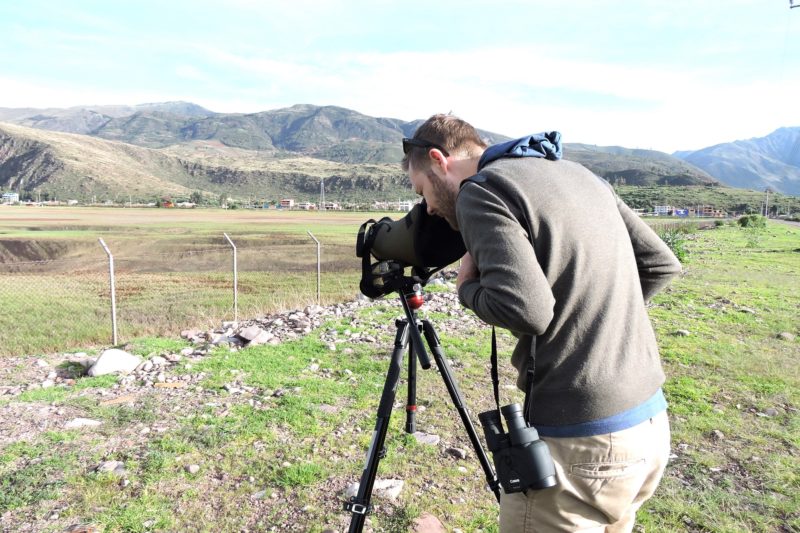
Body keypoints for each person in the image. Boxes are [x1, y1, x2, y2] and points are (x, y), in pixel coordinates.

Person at [401, 114, 682, 532]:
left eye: (422, 190)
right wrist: (591, 320)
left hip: (580, 444)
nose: (427, 206)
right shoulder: (575, 172)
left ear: (440, 160)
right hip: (648, 425)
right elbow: (660, 264)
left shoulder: (480, 191)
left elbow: (527, 310)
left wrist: (465, 288)